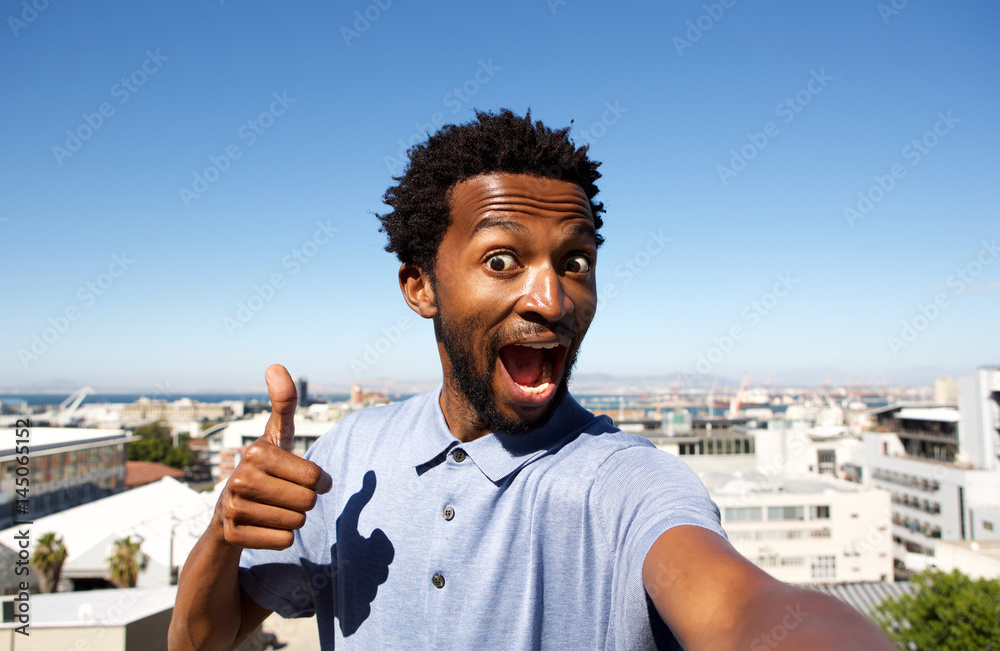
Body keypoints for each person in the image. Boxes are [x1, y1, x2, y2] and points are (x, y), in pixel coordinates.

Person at [169, 110, 894, 650]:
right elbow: (199, 640)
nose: (552, 299)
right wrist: (225, 528)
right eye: (502, 260)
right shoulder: (349, 457)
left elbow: (741, 611)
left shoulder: (629, 483)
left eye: (575, 261)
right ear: (421, 285)